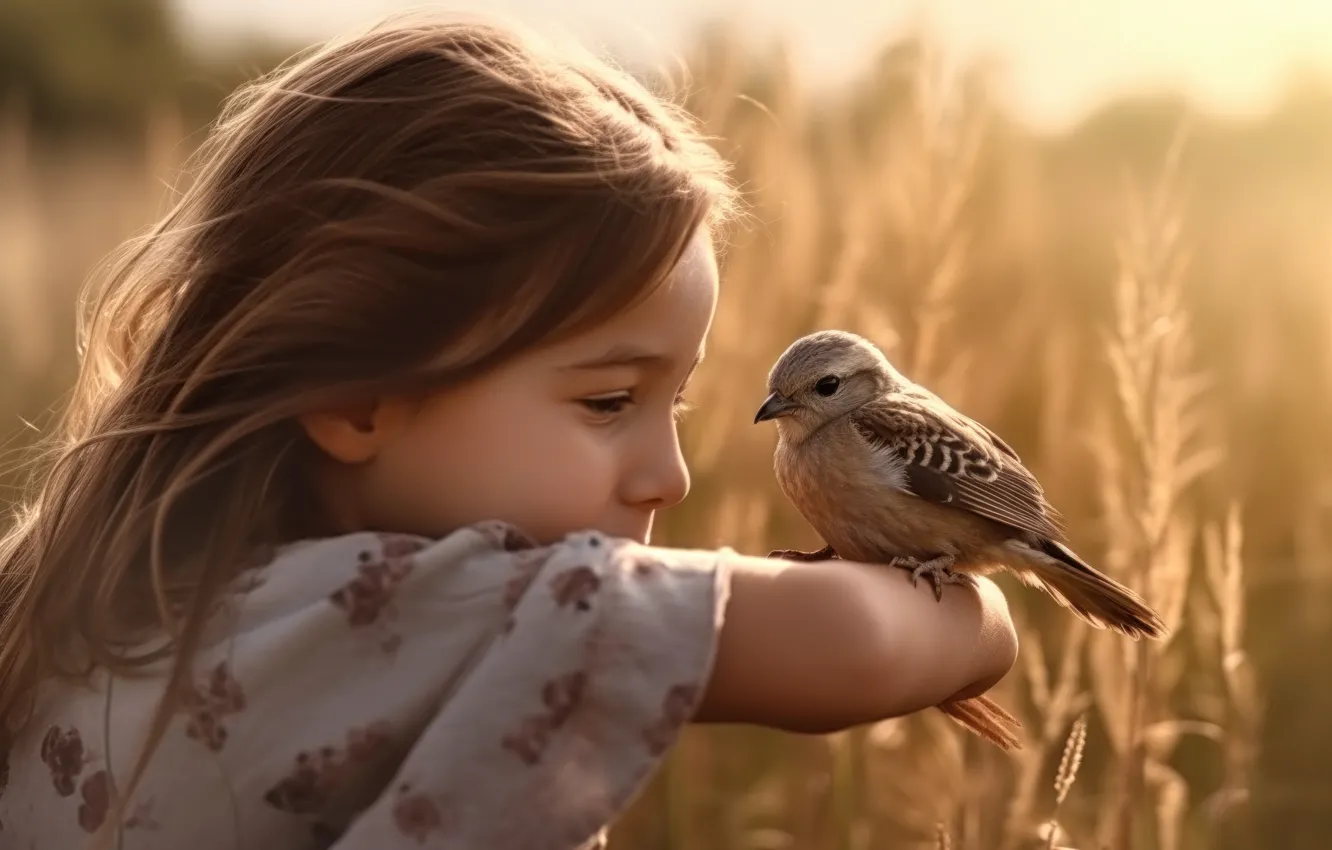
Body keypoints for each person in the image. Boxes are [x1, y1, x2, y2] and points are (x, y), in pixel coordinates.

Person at [0, 14, 1018, 849]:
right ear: (358, 399)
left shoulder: (79, 600)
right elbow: (856, 643)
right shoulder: (406, 612)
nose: (668, 476)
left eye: (679, 404)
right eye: (608, 402)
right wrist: (974, 625)